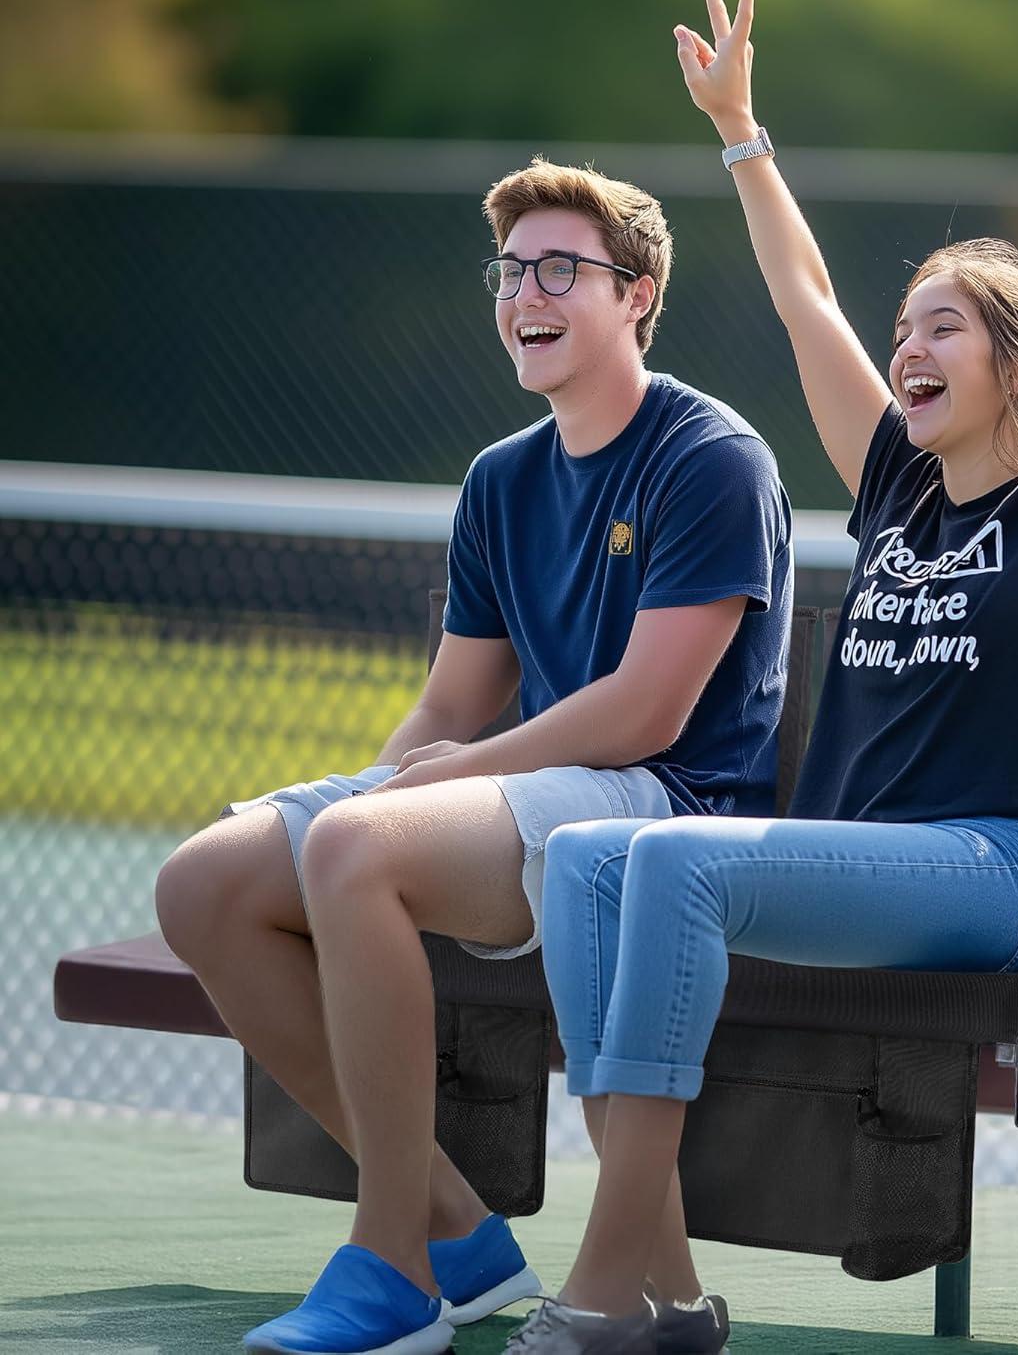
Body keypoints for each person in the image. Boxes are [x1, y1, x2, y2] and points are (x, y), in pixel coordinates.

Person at [506, 0, 1018, 1354]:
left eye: (943, 327)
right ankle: (661, 1279)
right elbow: (804, 300)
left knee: (665, 862)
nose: (907, 347)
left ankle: (608, 1292)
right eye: (906, 325)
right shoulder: (896, 492)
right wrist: (741, 129)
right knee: (583, 856)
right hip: (881, 867)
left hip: (1014, 870)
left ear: (1017, 363)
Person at [152, 159, 793, 1355]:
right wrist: (377, 792)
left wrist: (424, 796)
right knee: (205, 883)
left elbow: (649, 713)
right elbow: (453, 699)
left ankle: (392, 1263)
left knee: (357, 849)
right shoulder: (501, 479)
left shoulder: (714, 457)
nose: (525, 294)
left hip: (658, 815)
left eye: (562, 270)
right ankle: (460, 1232)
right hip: (530, 797)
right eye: (510, 271)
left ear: (637, 296)